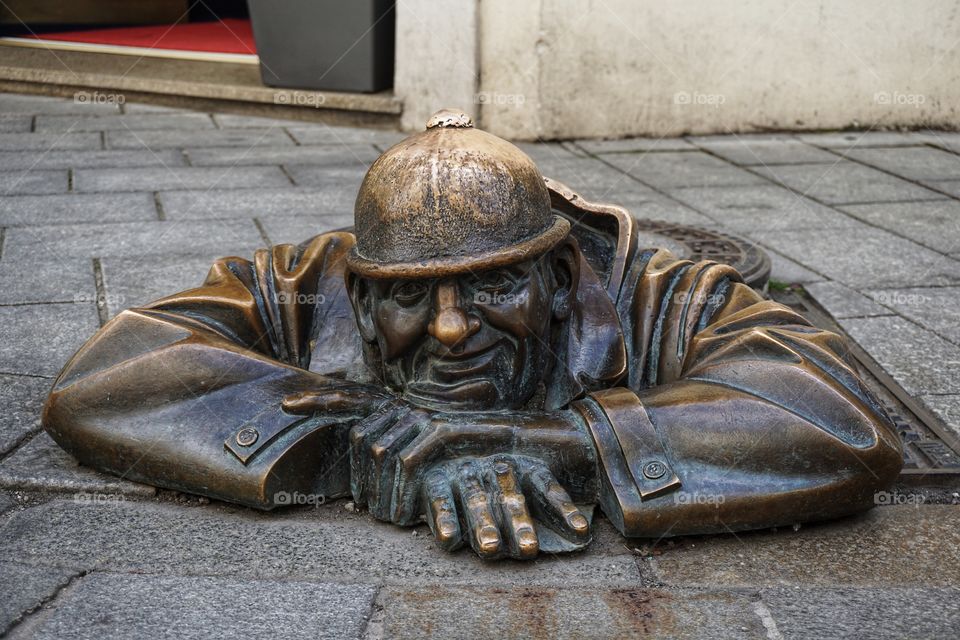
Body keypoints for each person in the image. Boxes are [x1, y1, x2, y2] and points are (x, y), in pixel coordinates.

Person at [43, 109, 902, 560]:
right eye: (412, 298)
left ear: (561, 280)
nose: (452, 327)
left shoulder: (664, 296)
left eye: (494, 285)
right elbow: (109, 374)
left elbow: (838, 420)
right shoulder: (314, 280)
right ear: (364, 289)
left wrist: (558, 440)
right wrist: (357, 433)